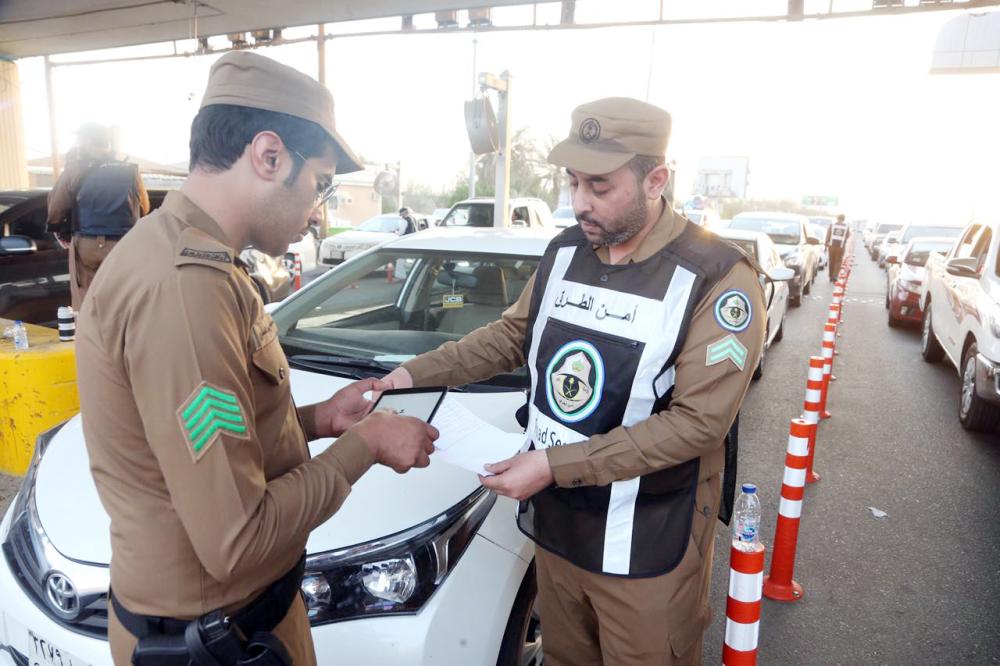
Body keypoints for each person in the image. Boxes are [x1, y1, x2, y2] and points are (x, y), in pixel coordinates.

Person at [75, 51, 438, 666]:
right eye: (320, 183)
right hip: (218, 640)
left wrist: (320, 420)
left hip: (234, 624)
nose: (319, 208)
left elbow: (212, 437)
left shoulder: (186, 255)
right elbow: (237, 541)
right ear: (269, 156)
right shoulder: (184, 290)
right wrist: (368, 445)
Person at [382, 97, 766, 665]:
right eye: (572, 182)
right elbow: (509, 337)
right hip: (559, 530)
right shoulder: (565, 251)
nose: (579, 203)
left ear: (655, 179)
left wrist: (552, 466)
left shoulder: (716, 277)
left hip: (647, 543)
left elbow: (697, 425)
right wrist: (407, 376)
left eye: (600, 186)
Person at [46, 122, 151, 309]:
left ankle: (90, 337)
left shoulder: (75, 168)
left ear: (87, 141)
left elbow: (56, 207)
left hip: (86, 243)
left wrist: (58, 231)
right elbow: (144, 207)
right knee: (123, 300)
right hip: (123, 244)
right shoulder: (129, 170)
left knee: (85, 301)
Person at [826, 213, 851, 280]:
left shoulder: (832, 225)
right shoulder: (846, 227)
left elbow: (828, 235)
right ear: (844, 219)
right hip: (841, 247)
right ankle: (835, 276)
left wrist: (826, 244)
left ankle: (830, 276)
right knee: (838, 261)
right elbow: (848, 235)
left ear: (837, 218)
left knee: (831, 261)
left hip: (832, 246)